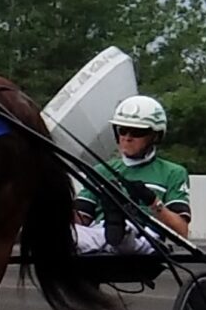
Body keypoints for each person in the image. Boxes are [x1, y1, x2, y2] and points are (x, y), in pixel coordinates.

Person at [73, 95, 191, 254]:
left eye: (137, 132)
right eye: (122, 130)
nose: (127, 137)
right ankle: (116, 227)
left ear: (155, 136)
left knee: (127, 236)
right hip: (100, 233)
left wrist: (153, 201)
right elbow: (81, 221)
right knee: (64, 234)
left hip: (146, 236)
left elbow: (181, 231)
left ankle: (121, 230)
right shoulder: (101, 170)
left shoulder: (173, 172)